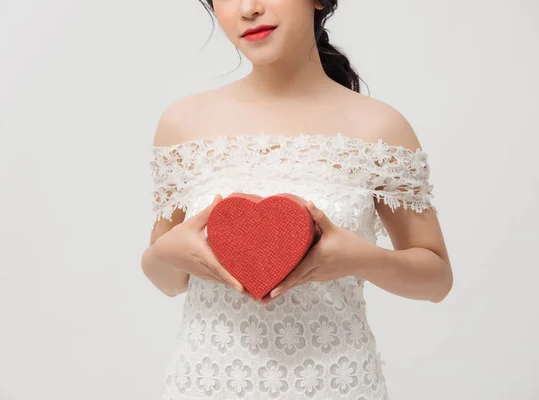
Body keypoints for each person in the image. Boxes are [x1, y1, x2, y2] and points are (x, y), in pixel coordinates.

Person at [141, 0, 453, 398]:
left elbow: (436, 280)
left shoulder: (380, 127)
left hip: (336, 383)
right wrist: (167, 253)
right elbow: (166, 280)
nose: (248, 8)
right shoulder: (182, 124)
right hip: (207, 383)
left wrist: (360, 257)